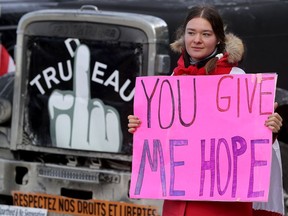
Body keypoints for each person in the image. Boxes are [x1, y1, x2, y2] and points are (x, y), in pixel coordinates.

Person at [128, 5, 284, 216]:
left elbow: (252, 144)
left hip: (222, 207)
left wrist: (269, 130)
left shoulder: (237, 79)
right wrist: (142, 126)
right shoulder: (173, 80)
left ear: (218, 39)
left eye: (205, 34)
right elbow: (165, 138)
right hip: (178, 203)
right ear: (183, 37)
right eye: (191, 33)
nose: (197, 40)